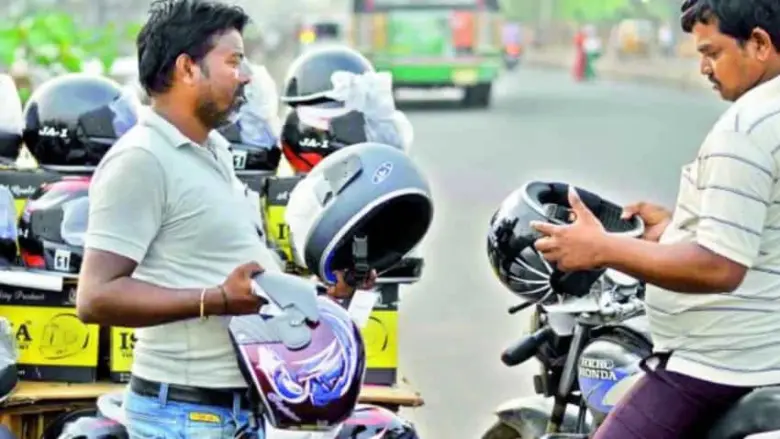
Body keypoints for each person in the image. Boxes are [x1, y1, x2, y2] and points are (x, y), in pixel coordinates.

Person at [76, 1, 371, 437]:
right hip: (183, 416)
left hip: (233, 413)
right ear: (187, 68)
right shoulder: (142, 159)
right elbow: (95, 297)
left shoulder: (211, 152)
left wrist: (326, 297)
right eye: (234, 61)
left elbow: (228, 272)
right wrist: (216, 299)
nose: (248, 75)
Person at [530, 0, 780, 438]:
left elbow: (719, 266)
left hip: (720, 363)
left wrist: (603, 248)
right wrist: (672, 232)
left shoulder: (746, 129)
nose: (704, 68)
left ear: (759, 44)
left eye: (712, 52)